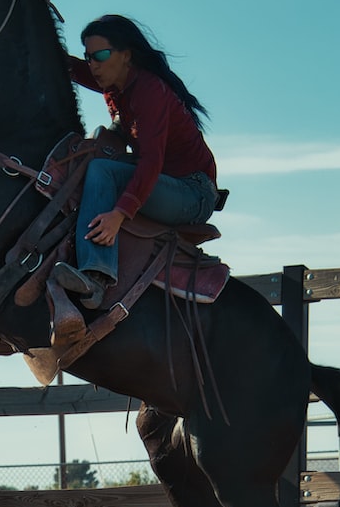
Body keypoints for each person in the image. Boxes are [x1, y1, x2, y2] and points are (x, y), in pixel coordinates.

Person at [56, 15, 219, 310]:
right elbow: (65, 66)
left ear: (126, 55)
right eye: (89, 56)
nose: (93, 64)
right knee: (90, 163)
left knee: (102, 169)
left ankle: (96, 275)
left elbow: (152, 161)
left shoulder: (148, 90)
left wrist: (120, 214)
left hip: (192, 192)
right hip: (163, 183)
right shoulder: (113, 83)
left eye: (101, 55)